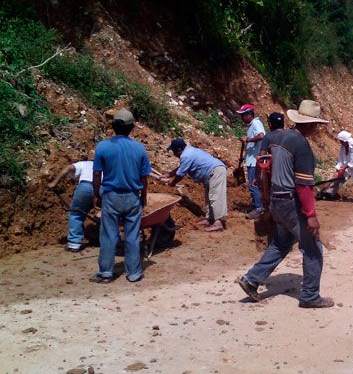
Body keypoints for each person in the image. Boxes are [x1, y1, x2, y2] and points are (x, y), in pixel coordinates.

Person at [237, 100, 334, 308]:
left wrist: (265, 199)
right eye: (316, 125)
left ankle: (252, 279)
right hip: (291, 202)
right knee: (313, 248)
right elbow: (303, 186)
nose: (316, 129)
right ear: (310, 124)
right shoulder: (301, 145)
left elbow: (263, 169)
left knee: (281, 243)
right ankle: (309, 296)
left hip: (275, 201)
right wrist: (310, 214)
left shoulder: (275, 137)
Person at [92, 109, 151, 283]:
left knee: (109, 235)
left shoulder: (103, 146)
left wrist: (96, 194)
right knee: (132, 236)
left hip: (111, 197)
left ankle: (106, 273)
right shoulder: (139, 149)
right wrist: (144, 196)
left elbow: (96, 174)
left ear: (113, 126)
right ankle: (133, 273)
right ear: (132, 127)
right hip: (132, 196)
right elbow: (144, 178)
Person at [162, 138, 227, 232]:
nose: (174, 154)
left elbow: (180, 174)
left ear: (179, 150)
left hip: (216, 171)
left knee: (215, 197)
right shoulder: (189, 152)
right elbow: (181, 168)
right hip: (211, 173)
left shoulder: (186, 156)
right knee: (209, 197)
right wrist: (168, 175)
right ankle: (209, 219)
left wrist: (172, 183)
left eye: (174, 151)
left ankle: (218, 223)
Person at [48, 154, 97, 252]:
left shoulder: (83, 164)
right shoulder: (104, 166)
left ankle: (74, 243)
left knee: (76, 214)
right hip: (102, 188)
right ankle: (107, 240)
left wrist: (54, 183)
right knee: (104, 215)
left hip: (86, 187)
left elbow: (69, 168)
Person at [322, 131, 353, 203]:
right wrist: (338, 170)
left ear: (345, 140)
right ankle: (330, 193)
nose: (340, 142)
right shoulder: (343, 147)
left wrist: (344, 168)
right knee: (338, 178)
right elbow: (341, 159)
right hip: (347, 165)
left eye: (341, 141)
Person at [236, 104, 265, 220]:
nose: (241, 118)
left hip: (255, 161)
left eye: (243, 115)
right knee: (253, 185)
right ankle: (255, 206)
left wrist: (248, 140)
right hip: (251, 159)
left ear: (249, 114)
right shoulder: (251, 125)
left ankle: (259, 208)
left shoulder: (256, 124)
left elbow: (261, 136)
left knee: (254, 185)